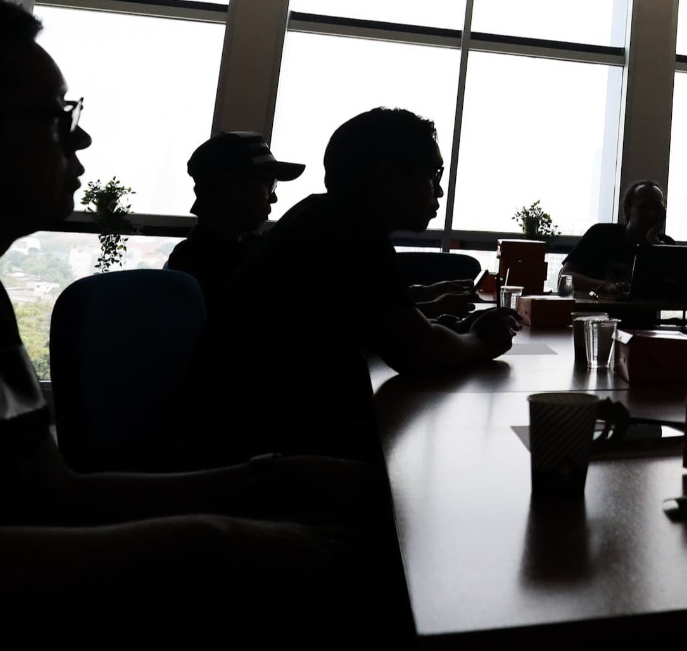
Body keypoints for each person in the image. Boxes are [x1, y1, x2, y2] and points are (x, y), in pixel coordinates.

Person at [0, 0, 397, 651]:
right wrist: (214, 539)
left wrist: (270, 478)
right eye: (53, 118)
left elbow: (55, 491)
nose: (80, 139)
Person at [186, 107, 519, 464]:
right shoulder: (348, 231)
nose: (438, 189)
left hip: (261, 437)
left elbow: (390, 328)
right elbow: (418, 352)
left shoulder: (322, 217)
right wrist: (482, 341)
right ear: (389, 175)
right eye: (433, 174)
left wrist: (449, 332)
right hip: (260, 459)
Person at [164, 130, 304, 305]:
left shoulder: (188, 260)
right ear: (231, 187)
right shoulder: (219, 267)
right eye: (270, 185)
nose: (274, 198)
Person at [561, 179, 674, 297]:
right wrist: (605, 286)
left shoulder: (666, 244)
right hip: (597, 313)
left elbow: (671, 288)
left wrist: (653, 242)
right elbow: (565, 276)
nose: (651, 213)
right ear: (627, 210)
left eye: (657, 208)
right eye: (644, 207)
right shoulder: (601, 234)